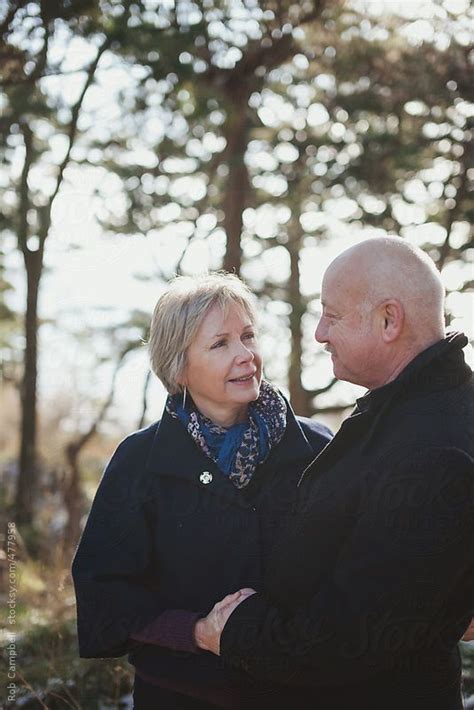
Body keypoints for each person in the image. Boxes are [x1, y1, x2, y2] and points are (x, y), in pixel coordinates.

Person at [196, 237, 474, 710]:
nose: (321, 333)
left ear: (389, 320)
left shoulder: (431, 447)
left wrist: (233, 630)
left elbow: (349, 639)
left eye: (333, 315)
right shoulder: (405, 415)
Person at [71, 272, 332, 709]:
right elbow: (106, 594)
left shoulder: (316, 447)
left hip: (301, 693)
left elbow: (348, 573)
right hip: (179, 695)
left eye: (248, 336)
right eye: (220, 344)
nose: (246, 355)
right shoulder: (139, 461)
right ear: (178, 366)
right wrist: (196, 631)